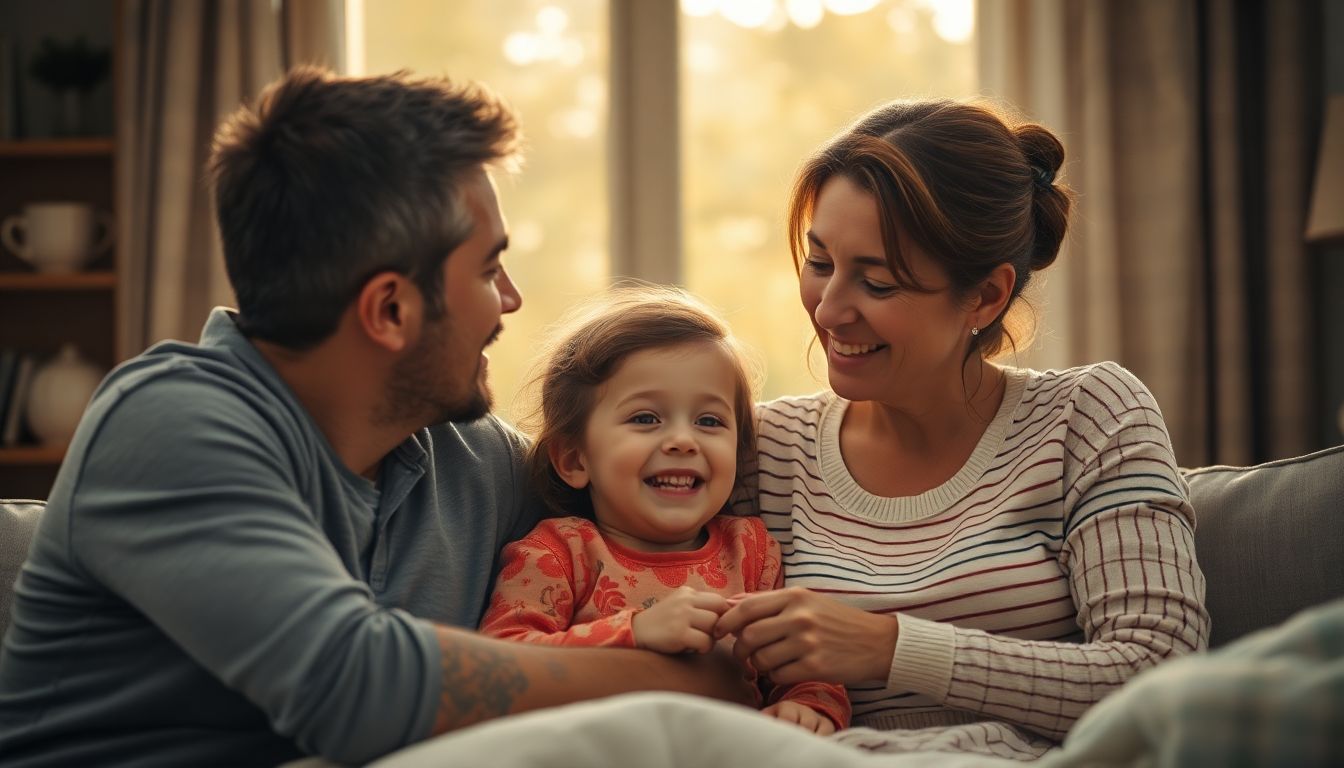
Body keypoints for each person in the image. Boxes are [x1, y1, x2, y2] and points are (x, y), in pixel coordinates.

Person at [0, 68, 754, 768]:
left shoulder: (474, 459)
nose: (511, 300)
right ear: (390, 309)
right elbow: (357, 687)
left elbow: (651, 497)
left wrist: (824, 633)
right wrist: (681, 684)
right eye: (488, 269)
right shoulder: (168, 425)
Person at [710, 98, 1212, 758]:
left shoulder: (1090, 417)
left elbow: (1161, 675)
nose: (828, 311)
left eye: (877, 283)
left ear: (985, 296)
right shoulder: (761, 449)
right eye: (821, 263)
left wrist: (891, 648)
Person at [477, 287, 850, 735]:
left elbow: (806, 661)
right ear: (575, 459)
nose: (683, 441)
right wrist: (634, 631)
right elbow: (502, 661)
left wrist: (807, 706)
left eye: (709, 421)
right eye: (645, 419)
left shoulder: (751, 551)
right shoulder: (558, 552)